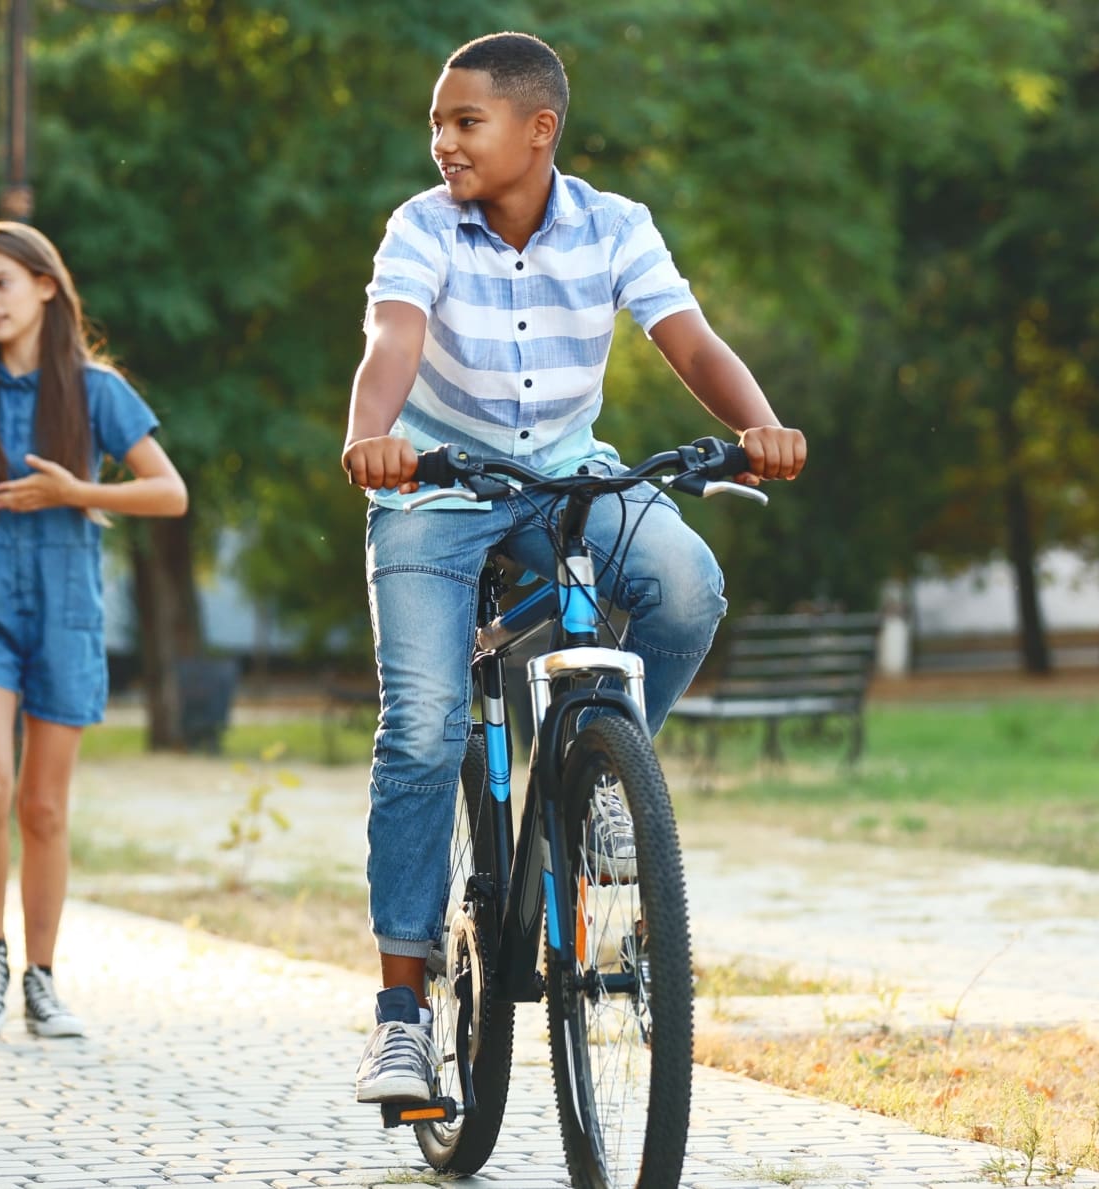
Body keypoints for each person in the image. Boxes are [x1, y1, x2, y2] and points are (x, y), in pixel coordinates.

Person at [341, 32, 806, 1103]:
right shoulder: (422, 227)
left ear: (538, 129)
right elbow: (392, 340)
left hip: (565, 477)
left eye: (468, 123)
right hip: (435, 489)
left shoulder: (614, 225)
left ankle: (599, 769)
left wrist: (761, 425)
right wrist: (374, 436)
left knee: (686, 585)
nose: (445, 142)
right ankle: (401, 1013)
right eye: (438, 125)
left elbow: (687, 340)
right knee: (419, 722)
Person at [0, 221, 187, 1039]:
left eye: (1, 283)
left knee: (45, 808)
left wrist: (77, 493)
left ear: (45, 286)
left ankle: (41, 974)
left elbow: (169, 493)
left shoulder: (97, 390)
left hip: (67, 620)